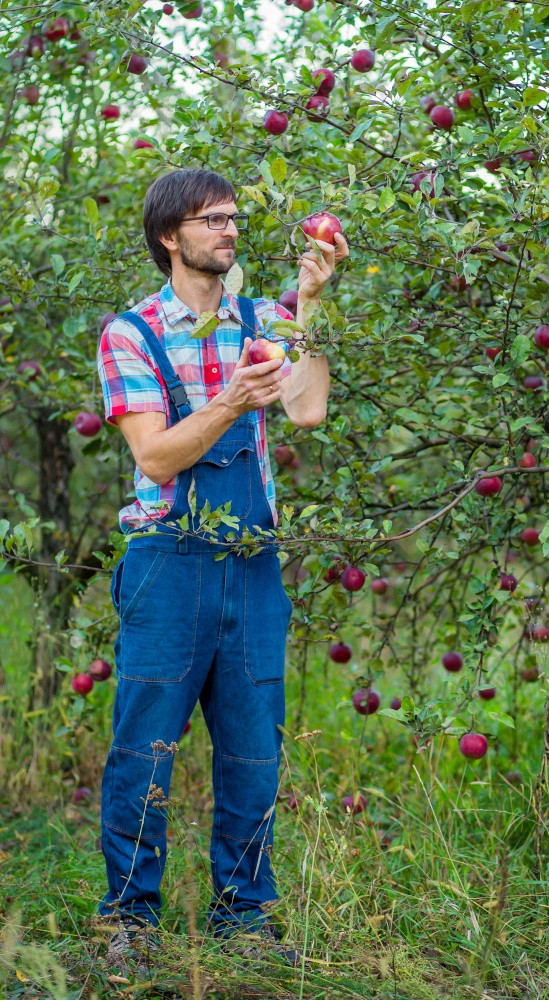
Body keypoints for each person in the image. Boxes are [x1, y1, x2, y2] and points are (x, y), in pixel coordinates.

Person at [95, 167, 348, 971]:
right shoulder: (130, 334)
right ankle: (129, 923)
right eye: (211, 221)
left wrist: (312, 302)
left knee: (252, 752)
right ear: (171, 237)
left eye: (234, 219)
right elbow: (157, 453)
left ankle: (245, 920)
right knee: (146, 752)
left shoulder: (260, 320)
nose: (229, 232)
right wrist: (235, 402)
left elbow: (307, 408)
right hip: (167, 563)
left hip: (253, 565)